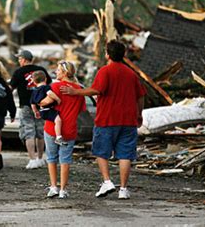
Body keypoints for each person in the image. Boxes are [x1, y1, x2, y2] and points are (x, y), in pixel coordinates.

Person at [61, 40, 146, 199]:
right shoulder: (131, 73)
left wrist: (74, 92)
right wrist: (139, 114)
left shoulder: (105, 71)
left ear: (107, 54)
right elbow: (140, 96)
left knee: (101, 151)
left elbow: (96, 90)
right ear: (124, 54)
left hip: (106, 119)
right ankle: (123, 190)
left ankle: (107, 181)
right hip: (128, 120)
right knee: (125, 155)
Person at [39, 61, 86, 198]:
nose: (56, 72)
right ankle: (63, 190)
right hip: (69, 129)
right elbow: (81, 110)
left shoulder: (55, 86)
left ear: (65, 73)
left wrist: (39, 102)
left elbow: (44, 102)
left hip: (51, 127)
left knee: (51, 157)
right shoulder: (78, 89)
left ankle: (53, 186)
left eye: (58, 70)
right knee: (65, 159)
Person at [10, 50, 52, 169]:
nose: (19, 61)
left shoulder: (18, 72)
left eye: (19, 59)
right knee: (40, 132)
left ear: (24, 59)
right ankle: (40, 158)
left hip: (26, 105)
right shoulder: (41, 70)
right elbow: (49, 84)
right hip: (41, 104)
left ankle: (32, 159)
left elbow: (11, 88)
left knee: (28, 132)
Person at [29, 70, 67, 146]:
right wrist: (57, 99)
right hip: (48, 110)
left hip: (42, 111)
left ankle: (58, 137)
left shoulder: (34, 91)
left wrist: (36, 112)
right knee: (58, 120)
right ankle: (58, 137)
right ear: (45, 79)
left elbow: (32, 104)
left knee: (55, 121)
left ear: (34, 82)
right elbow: (50, 93)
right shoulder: (45, 87)